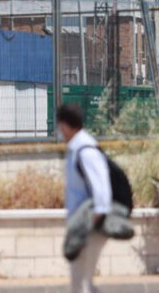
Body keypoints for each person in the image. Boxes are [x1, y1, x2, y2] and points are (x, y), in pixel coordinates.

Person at [57, 103, 111, 293]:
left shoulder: (85, 150)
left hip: (88, 226)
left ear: (64, 125)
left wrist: (91, 224)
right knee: (80, 282)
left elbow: (101, 190)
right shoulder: (77, 148)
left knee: (81, 283)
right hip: (82, 224)